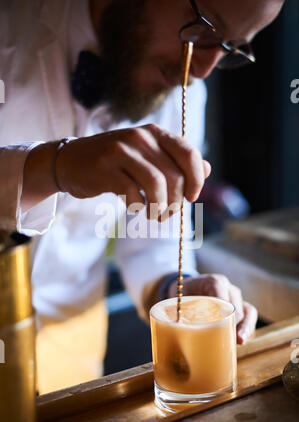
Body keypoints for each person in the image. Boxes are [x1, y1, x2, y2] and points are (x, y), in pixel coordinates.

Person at [0, 0, 284, 393]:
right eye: (204, 28)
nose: (200, 71)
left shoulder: (178, 82)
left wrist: (177, 285)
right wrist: (54, 167)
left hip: (70, 365)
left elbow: (153, 239)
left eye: (231, 48)